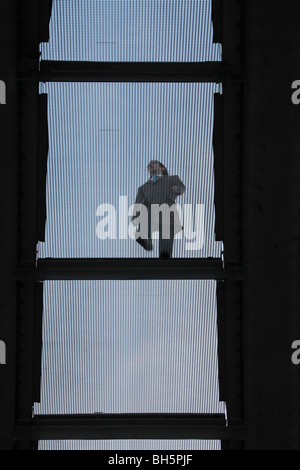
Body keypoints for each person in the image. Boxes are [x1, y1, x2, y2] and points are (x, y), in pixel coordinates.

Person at [132, 160, 185, 258]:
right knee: (145, 211)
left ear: (162, 168)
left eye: (154, 163)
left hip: (167, 212)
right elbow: (138, 203)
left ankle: (165, 258)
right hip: (150, 212)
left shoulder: (171, 178)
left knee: (165, 248)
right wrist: (135, 216)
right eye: (149, 165)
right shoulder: (143, 188)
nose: (150, 165)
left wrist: (178, 189)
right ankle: (145, 239)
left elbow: (181, 187)